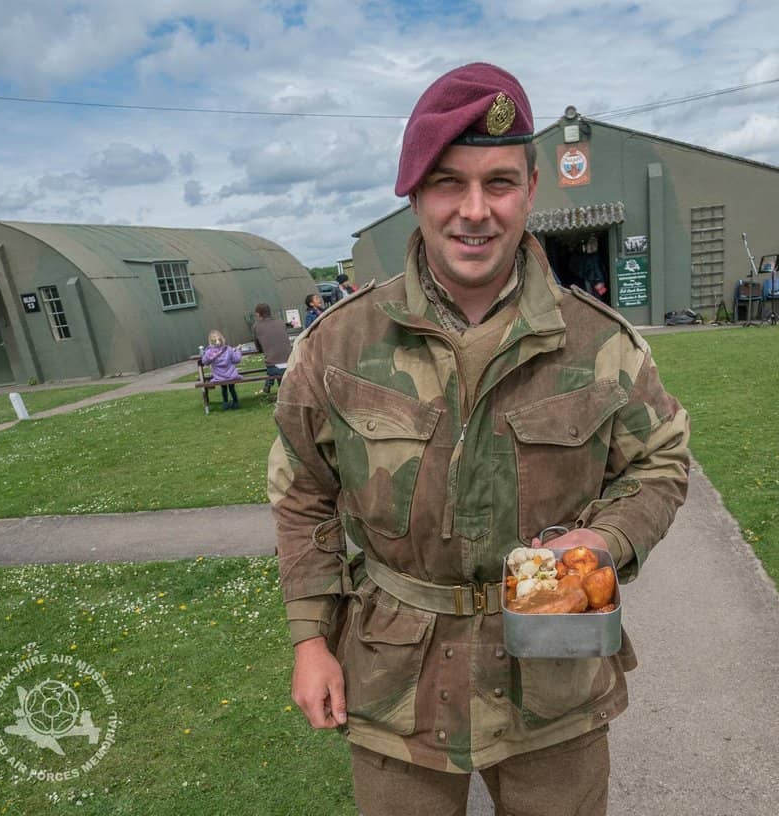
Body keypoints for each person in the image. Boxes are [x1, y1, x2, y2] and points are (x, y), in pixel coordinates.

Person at [268, 62, 690, 816]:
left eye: (498, 183)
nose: (475, 210)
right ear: (414, 196)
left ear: (531, 189)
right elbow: (303, 494)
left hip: (554, 681)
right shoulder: (336, 348)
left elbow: (660, 463)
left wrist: (605, 541)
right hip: (398, 687)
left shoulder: (601, 345)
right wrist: (310, 639)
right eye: (447, 183)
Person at [252, 302, 291, 394]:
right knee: (277, 369)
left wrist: (262, 349)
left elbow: (258, 345)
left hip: (273, 365)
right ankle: (269, 387)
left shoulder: (256, 326)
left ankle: (269, 386)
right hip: (289, 361)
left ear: (258, 314)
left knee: (272, 369)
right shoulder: (281, 322)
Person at [201, 329, 242, 410]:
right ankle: (236, 402)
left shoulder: (210, 352)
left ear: (210, 341)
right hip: (231, 375)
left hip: (219, 377)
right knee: (231, 388)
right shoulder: (228, 349)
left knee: (224, 388)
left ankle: (225, 403)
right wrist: (238, 351)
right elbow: (236, 360)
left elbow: (205, 362)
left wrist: (206, 352)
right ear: (222, 338)